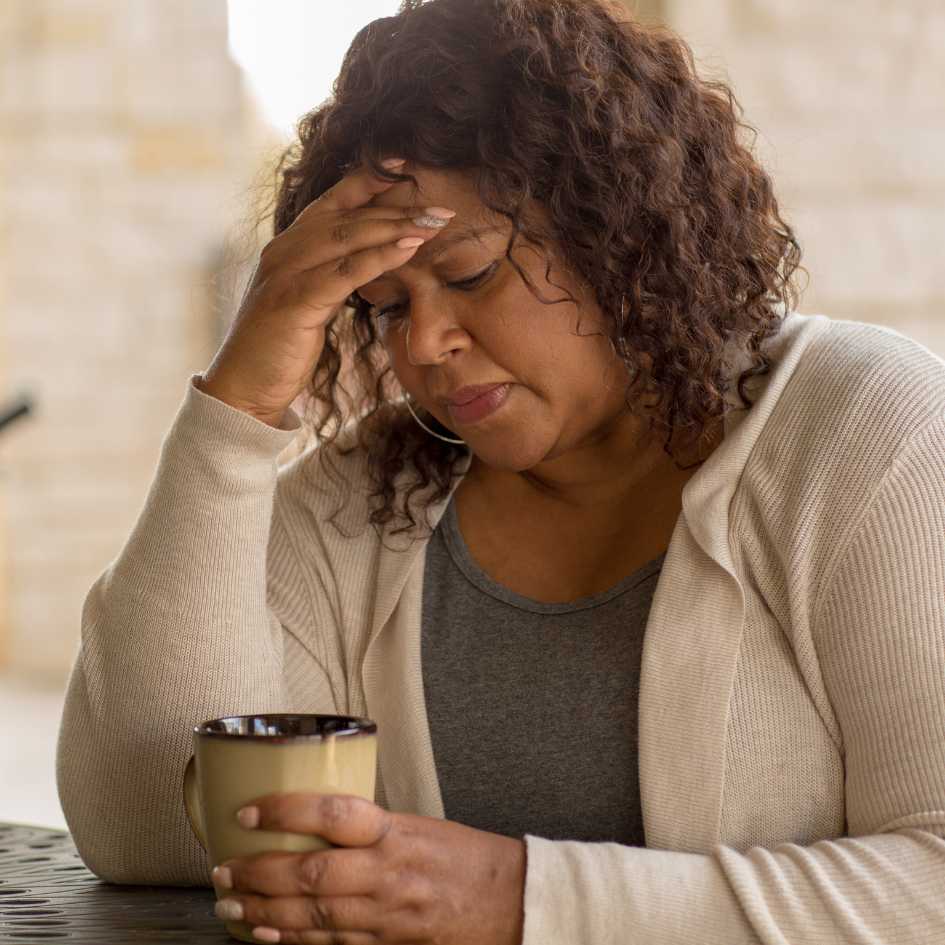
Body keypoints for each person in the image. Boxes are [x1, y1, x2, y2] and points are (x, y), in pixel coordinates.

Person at [57, 0, 945, 942]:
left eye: (472, 275)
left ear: (616, 234)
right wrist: (236, 408)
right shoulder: (365, 499)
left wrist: (519, 900)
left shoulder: (861, 435)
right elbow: (151, 829)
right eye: (387, 305)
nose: (428, 344)